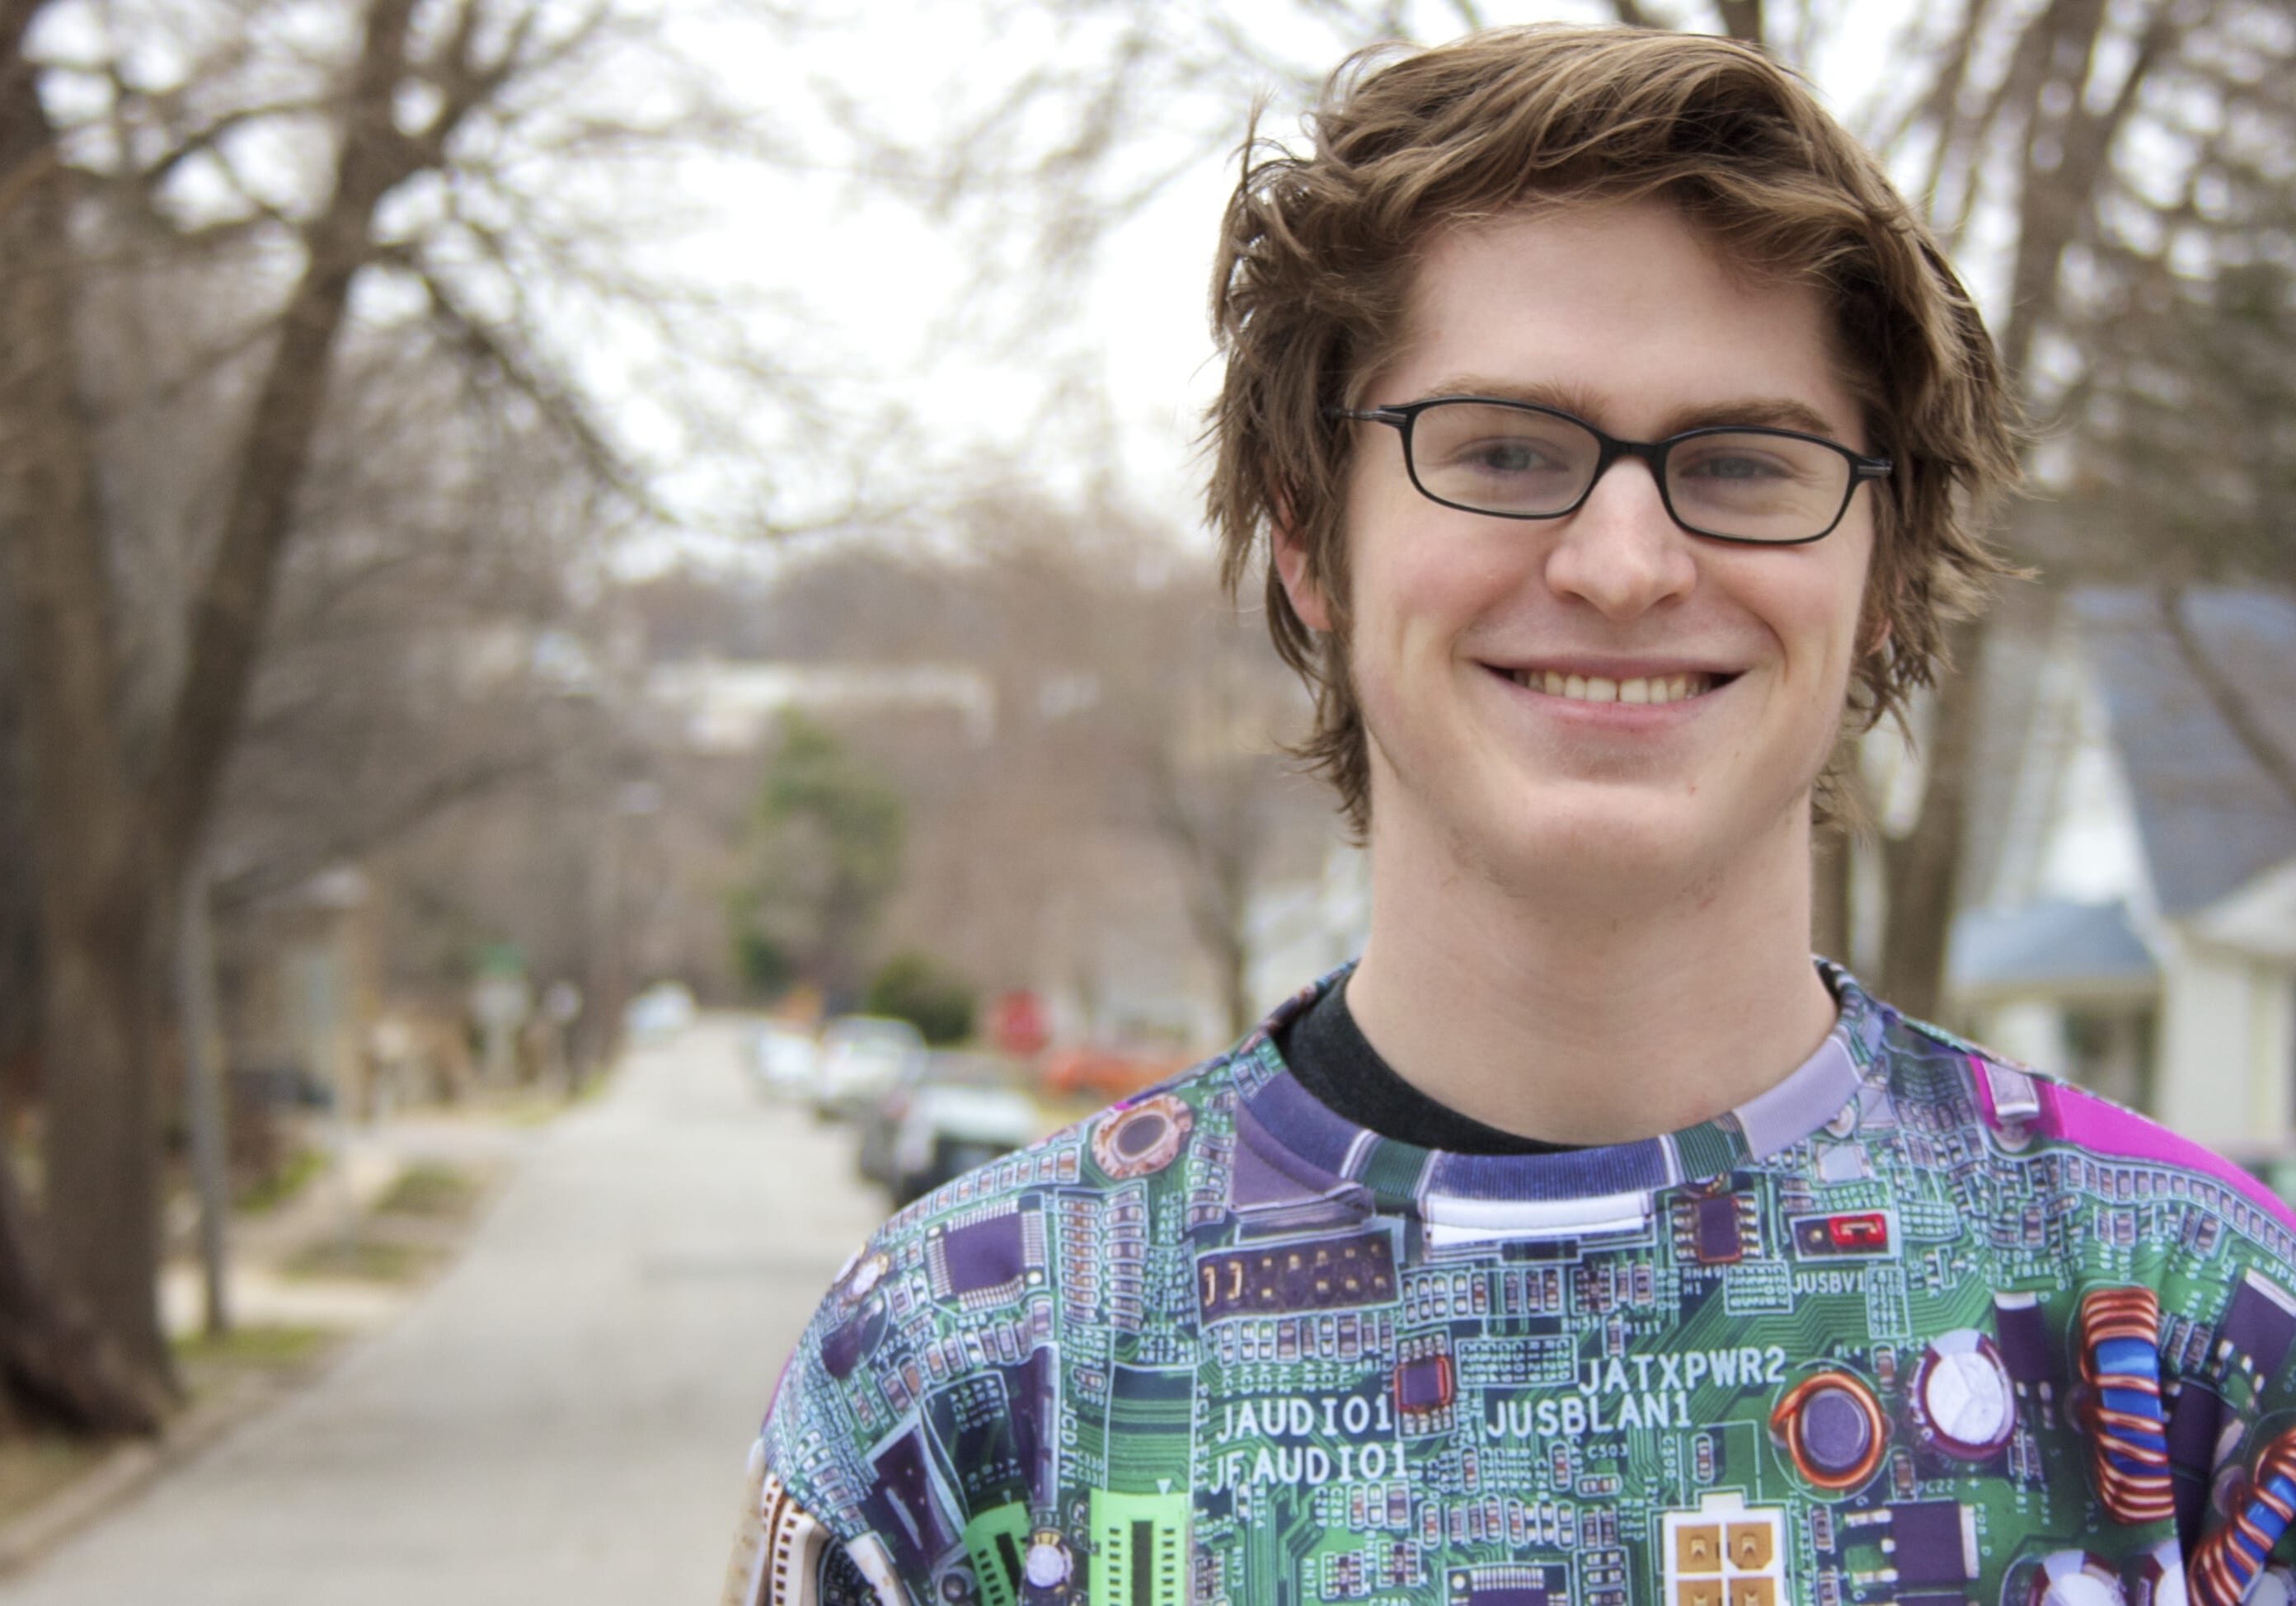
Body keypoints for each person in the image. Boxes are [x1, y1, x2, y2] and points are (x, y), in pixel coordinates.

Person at [723, 27, 2296, 1606]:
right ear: (1308, 543)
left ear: (1877, 576)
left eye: (1743, 462)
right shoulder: (957, 1385)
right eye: (1504, 453)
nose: (1624, 563)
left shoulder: (2199, 1340)